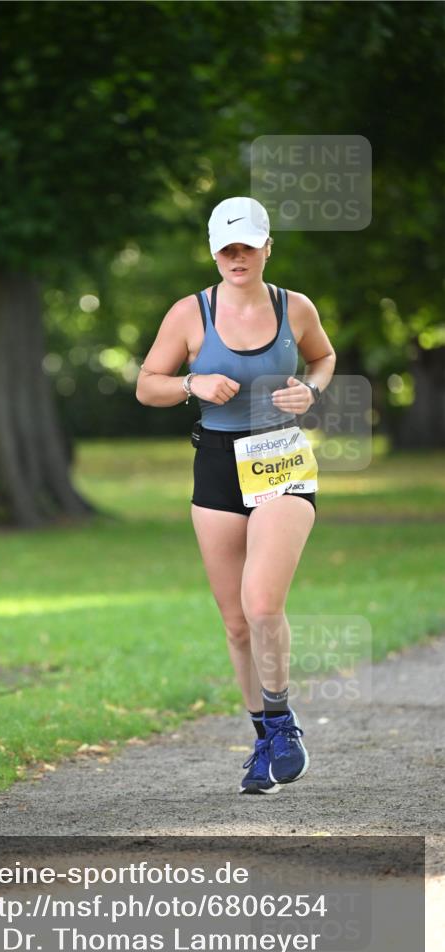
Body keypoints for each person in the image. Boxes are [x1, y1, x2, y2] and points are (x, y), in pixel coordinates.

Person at [136, 196, 336, 794]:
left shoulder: (293, 308)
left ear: (268, 247)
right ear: (213, 252)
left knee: (262, 604)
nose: (238, 256)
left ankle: (282, 722)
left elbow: (322, 359)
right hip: (217, 465)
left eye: (248, 245)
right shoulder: (189, 313)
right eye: (227, 247)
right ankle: (267, 733)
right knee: (235, 624)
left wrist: (311, 389)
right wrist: (191, 382)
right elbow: (148, 386)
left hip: (280, 458)